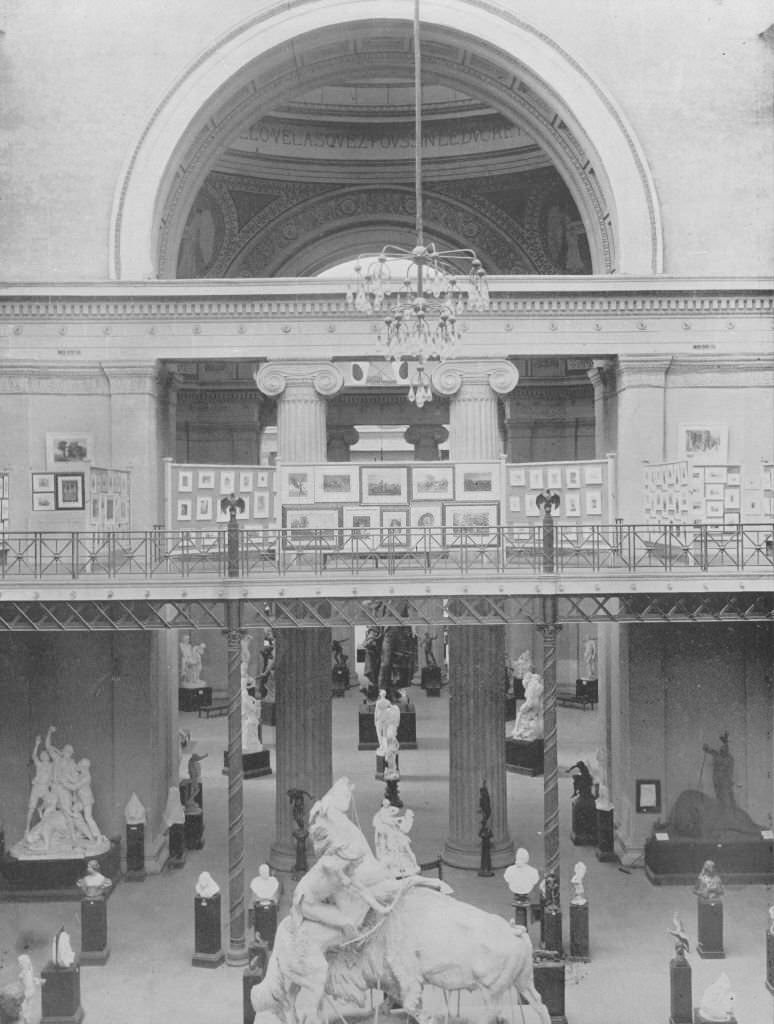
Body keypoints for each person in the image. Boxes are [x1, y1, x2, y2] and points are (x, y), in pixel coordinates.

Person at [372, 800, 420, 878]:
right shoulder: (382, 814)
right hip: (392, 838)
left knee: (402, 852)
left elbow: (403, 828)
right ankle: (398, 868)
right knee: (394, 852)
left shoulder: (390, 817)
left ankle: (411, 866)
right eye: (386, 804)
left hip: (398, 839)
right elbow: (383, 821)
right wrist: (394, 822)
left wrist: (395, 822)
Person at [25, 735, 53, 835]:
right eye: (42, 755)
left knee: (51, 802)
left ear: (49, 757)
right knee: (31, 808)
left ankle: (41, 809)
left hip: (45, 788)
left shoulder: (51, 766)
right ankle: (27, 828)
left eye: (46, 755)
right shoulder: (39, 764)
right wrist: (37, 744)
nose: (44, 756)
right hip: (37, 788)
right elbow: (34, 756)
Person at [703, 733, 735, 811]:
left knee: (725, 798)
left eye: (724, 745)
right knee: (719, 796)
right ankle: (723, 810)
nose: (722, 748)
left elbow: (730, 770)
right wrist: (706, 749)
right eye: (722, 747)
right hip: (717, 779)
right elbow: (711, 751)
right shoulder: (718, 754)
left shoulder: (729, 758)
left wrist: (729, 780)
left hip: (724, 781)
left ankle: (729, 811)